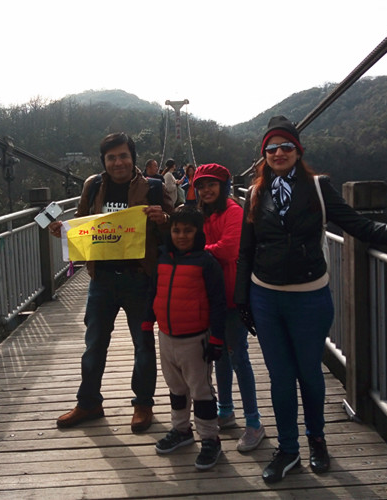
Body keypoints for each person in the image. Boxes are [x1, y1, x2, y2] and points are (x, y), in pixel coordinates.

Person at [234, 116, 387, 484]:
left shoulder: (318, 189)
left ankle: (316, 439)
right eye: (271, 148)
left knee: (309, 374)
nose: (279, 153)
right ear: (264, 156)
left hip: (308, 297)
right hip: (266, 298)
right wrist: (242, 300)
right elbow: (246, 251)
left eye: (286, 146)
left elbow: (362, 227)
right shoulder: (257, 194)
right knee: (281, 378)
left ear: (298, 151)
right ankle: (288, 450)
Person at [49, 132, 174, 432]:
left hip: (139, 279)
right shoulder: (93, 186)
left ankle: (143, 404)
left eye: (123, 156)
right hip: (101, 279)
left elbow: (176, 227)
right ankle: (88, 402)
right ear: (104, 161)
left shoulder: (153, 187)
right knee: (94, 344)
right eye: (111, 157)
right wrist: (63, 231)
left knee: (142, 345)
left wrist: (164, 220)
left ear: (133, 158)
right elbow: (81, 222)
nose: (118, 162)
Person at [144, 206, 227, 470]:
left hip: (195, 340)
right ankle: (181, 430)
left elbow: (218, 302)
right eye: (176, 230)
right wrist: (147, 323)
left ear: (198, 233)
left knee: (201, 392)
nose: (181, 236)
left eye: (188, 231)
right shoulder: (162, 259)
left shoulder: (206, 262)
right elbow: (152, 292)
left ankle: (210, 439)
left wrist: (217, 340)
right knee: (176, 390)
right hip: (166, 337)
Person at [192, 163, 266, 452]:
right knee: (219, 354)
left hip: (233, 298)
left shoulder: (234, 211)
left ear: (224, 186)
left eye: (212, 184)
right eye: (201, 185)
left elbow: (228, 248)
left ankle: (254, 422)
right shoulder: (203, 215)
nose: (206, 190)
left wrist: (198, 251)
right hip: (211, 297)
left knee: (238, 358)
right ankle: (225, 410)